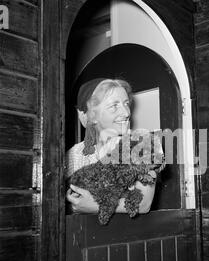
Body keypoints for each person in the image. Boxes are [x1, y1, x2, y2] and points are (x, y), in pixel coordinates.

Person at [65, 78, 163, 215]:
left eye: (126, 104)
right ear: (92, 116)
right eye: (114, 106)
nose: (126, 113)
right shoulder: (74, 154)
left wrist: (95, 205)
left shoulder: (144, 141)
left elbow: (144, 204)